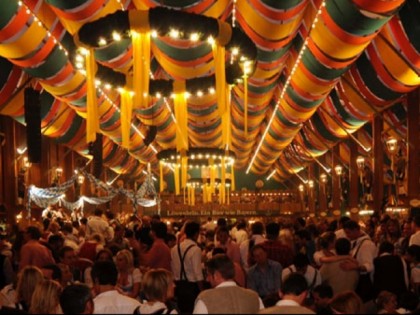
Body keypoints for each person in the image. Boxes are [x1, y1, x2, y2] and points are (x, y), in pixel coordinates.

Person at [194, 254, 263, 314]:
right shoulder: (255, 297)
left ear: (216, 275)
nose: (207, 279)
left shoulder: (205, 299)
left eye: (208, 275)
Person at [170, 221, 204, 314]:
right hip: (191, 288)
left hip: (179, 286)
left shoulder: (174, 248)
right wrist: (202, 291)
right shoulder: (195, 249)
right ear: (196, 234)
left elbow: (173, 268)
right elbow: (198, 274)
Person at [341, 220, 377, 303]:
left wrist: (355, 267)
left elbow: (369, 266)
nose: (347, 235)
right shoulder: (356, 242)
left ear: (356, 230)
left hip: (364, 284)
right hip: (358, 281)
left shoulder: (366, 244)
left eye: (348, 233)